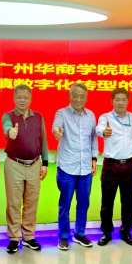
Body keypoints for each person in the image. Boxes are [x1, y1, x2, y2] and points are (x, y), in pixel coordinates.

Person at [2, 84, 49, 255]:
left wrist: (45, 162)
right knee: (13, 203)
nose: (22, 100)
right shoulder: (8, 116)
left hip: (34, 164)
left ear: (31, 99)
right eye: (19, 97)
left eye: (25, 97)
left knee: (31, 202)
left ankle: (29, 236)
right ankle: (14, 238)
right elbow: (6, 127)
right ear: (13, 99)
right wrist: (10, 132)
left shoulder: (38, 117)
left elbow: (43, 140)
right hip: (14, 164)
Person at [53, 83, 98, 251]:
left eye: (82, 96)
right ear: (70, 96)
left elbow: (93, 138)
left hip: (85, 167)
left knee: (84, 203)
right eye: (75, 95)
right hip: (67, 166)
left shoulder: (91, 115)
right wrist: (57, 131)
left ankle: (79, 234)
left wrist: (94, 158)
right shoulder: (62, 113)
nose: (79, 99)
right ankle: (63, 236)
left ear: (86, 98)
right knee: (65, 204)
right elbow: (56, 127)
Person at [96, 88, 132, 247]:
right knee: (107, 202)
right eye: (117, 99)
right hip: (111, 165)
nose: (120, 103)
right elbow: (98, 129)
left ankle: (126, 232)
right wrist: (104, 131)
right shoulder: (105, 117)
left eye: (124, 99)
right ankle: (106, 232)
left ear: (128, 101)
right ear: (112, 101)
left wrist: (131, 154)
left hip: (129, 165)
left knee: (128, 202)